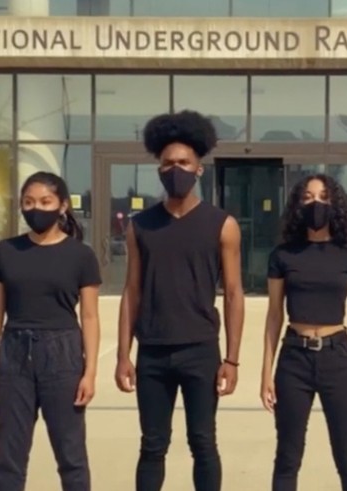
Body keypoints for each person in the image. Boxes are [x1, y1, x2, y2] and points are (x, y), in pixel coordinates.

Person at [113, 109, 245, 491]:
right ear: (158, 167)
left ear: (199, 167)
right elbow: (131, 291)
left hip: (201, 350)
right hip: (152, 351)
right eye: (168, 163)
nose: (176, 169)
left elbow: (234, 294)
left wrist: (232, 359)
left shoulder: (222, 224)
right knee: (152, 446)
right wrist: (124, 354)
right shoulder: (141, 226)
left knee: (203, 443)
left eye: (184, 162)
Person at [0, 172, 102, 491]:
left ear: (62, 206)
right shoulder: (6, 251)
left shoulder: (81, 255)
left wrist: (90, 372)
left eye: (46, 202)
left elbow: (89, 316)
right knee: (9, 454)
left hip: (63, 355)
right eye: (29, 202)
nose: (37, 209)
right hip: (14, 355)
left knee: (71, 454)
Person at [261, 174, 347, 491]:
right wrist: (266, 372)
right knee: (287, 457)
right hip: (294, 357)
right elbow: (273, 316)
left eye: (323, 197)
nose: (316, 204)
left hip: (338, 357)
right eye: (308, 198)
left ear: (335, 204)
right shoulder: (283, 255)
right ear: (298, 205)